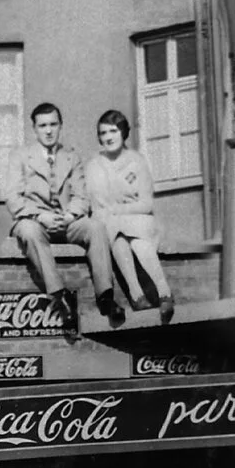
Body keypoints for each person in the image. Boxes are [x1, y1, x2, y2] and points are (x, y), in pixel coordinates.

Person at [6, 101, 99, 326]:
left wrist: (69, 216)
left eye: (53, 124)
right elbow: (13, 197)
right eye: (43, 125)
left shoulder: (72, 157)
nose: (48, 131)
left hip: (66, 221)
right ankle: (59, 296)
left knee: (95, 227)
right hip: (35, 220)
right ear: (34, 129)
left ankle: (105, 295)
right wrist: (40, 216)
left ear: (60, 126)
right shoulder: (20, 156)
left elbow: (82, 196)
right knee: (28, 230)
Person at [80, 109, 172, 327]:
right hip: (110, 223)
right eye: (103, 133)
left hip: (137, 218)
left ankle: (164, 294)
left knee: (139, 243)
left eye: (113, 131)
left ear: (123, 132)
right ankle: (137, 295)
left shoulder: (137, 161)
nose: (108, 137)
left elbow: (147, 203)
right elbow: (93, 203)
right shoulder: (93, 166)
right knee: (119, 241)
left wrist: (119, 211)